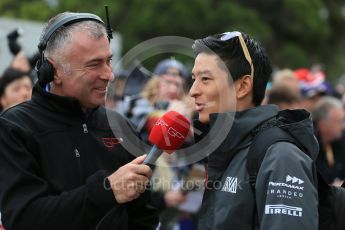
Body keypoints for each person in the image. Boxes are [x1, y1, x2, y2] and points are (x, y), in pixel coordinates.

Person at [0, 12, 158, 230]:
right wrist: (107, 190)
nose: (109, 74)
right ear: (53, 71)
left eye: (108, 61)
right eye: (94, 64)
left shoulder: (122, 127)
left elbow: (143, 217)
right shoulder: (14, 127)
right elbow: (23, 218)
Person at [189, 31, 318, 229]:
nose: (193, 90)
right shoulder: (227, 147)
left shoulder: (281, 156)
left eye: (205, 79)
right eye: (193, 78)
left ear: (243, 86)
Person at [312, 96, 345, 184]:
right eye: (339, 122)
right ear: (323, 126)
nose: (343, 127)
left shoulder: (339, 142)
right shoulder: (309, 151)